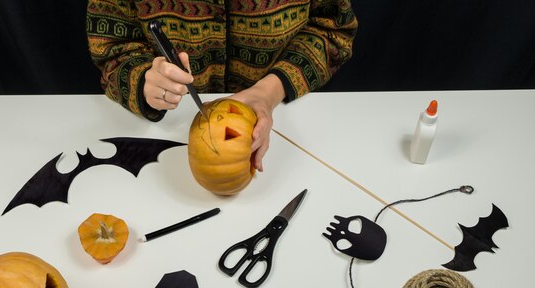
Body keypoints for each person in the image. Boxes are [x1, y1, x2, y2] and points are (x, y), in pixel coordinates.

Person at [86, 1, 357, 171]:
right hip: (165, 134)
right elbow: (111, 48)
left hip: (290, 123)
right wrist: (143, 80)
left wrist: (269, 91)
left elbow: (332, 30)